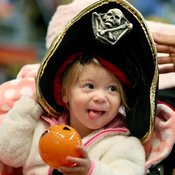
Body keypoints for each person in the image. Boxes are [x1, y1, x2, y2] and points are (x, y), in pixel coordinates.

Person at [0, 0, 175, 175]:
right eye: (89, 86)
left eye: (112, 89)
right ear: (65, 93)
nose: (100, 97)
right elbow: (8, 153)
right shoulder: (41, 126)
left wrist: (92, 170)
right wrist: (32, 106)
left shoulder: (123, 144)